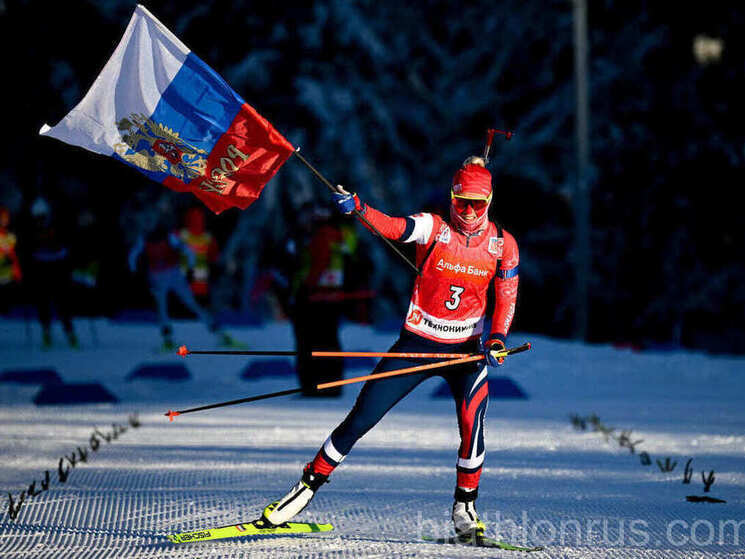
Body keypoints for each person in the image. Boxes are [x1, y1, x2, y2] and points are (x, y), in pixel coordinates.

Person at [262, 156, 519, 539]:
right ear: (451, 197)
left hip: (466, 352)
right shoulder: (435, 227)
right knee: (362, 417)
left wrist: (497, 339)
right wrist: (360, 208)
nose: (467, 212)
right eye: (461, 202)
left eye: (476, 204)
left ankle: (465, 507)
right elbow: (395, 227)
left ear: (490, 201)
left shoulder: (502, 244)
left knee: (473, 426)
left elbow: (507, 294)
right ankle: (306, 486)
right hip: (418, 344)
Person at [129, 216, 238, 350]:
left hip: (174, 274)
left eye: (150, 222)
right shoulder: (144, 239)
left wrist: (191, 266)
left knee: (191, 303)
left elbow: (187, 250)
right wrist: (134, 269)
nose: (148, 226)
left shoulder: (168, 236)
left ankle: (219, 332)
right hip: (157, 277)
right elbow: (133, 255)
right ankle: (168, 339)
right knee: (162, 308)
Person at [289, 204, 354, 396]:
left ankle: (314, 385)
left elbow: (318, 264)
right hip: (332, 296)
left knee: (310, 343)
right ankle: (331, 385)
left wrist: (305, 288)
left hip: (314, 297)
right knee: (329, 341)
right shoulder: (340, 235)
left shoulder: (321, 236)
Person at [25, 197, 79, 348]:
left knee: (62, 302)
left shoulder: (58, 226)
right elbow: (27, 247)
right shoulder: (31, 228)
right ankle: (46, 332)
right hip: (41, 267)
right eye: (37, 217)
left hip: (57, 266)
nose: (40, 220)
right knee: (43, 302)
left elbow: (66, 243)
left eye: (42, 217)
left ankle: (70, 333)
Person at [0, 206, 23, 315]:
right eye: (2, 218)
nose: (4, 220)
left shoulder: (10, 235)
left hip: (7, 272)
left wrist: (16, 270)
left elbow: (13, 254)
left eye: (6, 218)